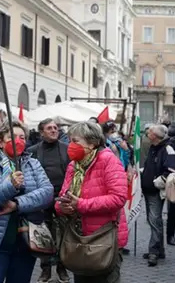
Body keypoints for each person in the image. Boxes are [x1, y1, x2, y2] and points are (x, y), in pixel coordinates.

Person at [0, 121, 53, 282]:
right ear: (0, 142)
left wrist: (17, 204)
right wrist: (9, 186)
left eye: (22, 137)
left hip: (25, 244)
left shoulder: (33, 164)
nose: (18, 141)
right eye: (12, 137)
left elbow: (47, 193)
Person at [55, 121, 128, 283]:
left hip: (104, 239)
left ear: (92, 142)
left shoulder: (108, 160)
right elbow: (62, 197)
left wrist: (80, 204)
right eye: (70, 141)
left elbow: (118, 198)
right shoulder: (74, 166)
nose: (70, 145)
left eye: (75, 141)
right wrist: (62, 206)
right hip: (79, 238)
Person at [27, 118, 70, 283]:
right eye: (49, 128)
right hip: (42, 199)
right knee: (44, 235)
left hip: (63, 198)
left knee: (64, 234)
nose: (54, 130)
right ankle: (45, 269)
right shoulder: (33, 151)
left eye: (55, 128)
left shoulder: (67, 149)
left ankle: (62, 267)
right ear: (41, 132)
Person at [141, 124, 175, 266]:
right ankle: (159, 249)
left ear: (154, 136)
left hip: (156, 191)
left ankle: (154, 251)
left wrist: (158, 181)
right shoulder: (154, 147)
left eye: (149, 132)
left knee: (155, 220)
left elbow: (172, 169)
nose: (147, 134)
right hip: (149, 190)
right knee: (154, 221)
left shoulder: (167, 149)